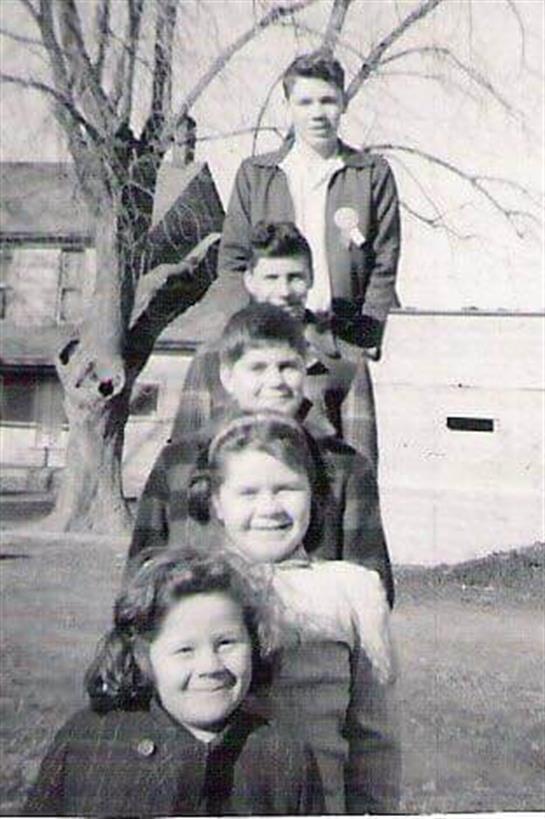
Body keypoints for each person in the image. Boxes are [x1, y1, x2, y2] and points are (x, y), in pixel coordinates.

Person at [186, 412, 400, 815]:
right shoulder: (191, 583)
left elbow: (374, 737)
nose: (269, 508)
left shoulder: (353, 589)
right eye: (247, 493)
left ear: (315, 496)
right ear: (216, 503)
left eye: (286, 489)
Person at [127, 302, 394, 607]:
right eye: (257, 367)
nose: (275, 381)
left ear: (304, 370)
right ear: (227, 378)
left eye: (287, 367)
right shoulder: (178, 463)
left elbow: (372, 589)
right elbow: (140, 580)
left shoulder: (347, 468)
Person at [25, 551, 324, 817]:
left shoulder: (284, 755)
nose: (210, 667)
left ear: (255, 643)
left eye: (226, 643)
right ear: (145, 656)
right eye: (185, 650)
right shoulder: (90, 740)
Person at [215, 52, 402, 458]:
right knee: (266, 458)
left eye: (328, 101)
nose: (318, 113)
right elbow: (232, 260)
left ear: (343, 104)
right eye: (305, 102)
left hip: (337, 343)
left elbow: (385, 260)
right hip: (268, 340)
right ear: (289, 107)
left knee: (346, 467)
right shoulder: (257, 174)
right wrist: (242, 329)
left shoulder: (370, 173)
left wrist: (365, 338)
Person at [170, 221, 377, 463]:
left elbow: (362, 473)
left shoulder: (346, 363)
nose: (284, 291)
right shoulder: (212, 357)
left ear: (311, 278)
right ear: (250, 280)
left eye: (295, 277)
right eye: (271, 277)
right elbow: (181, 463)